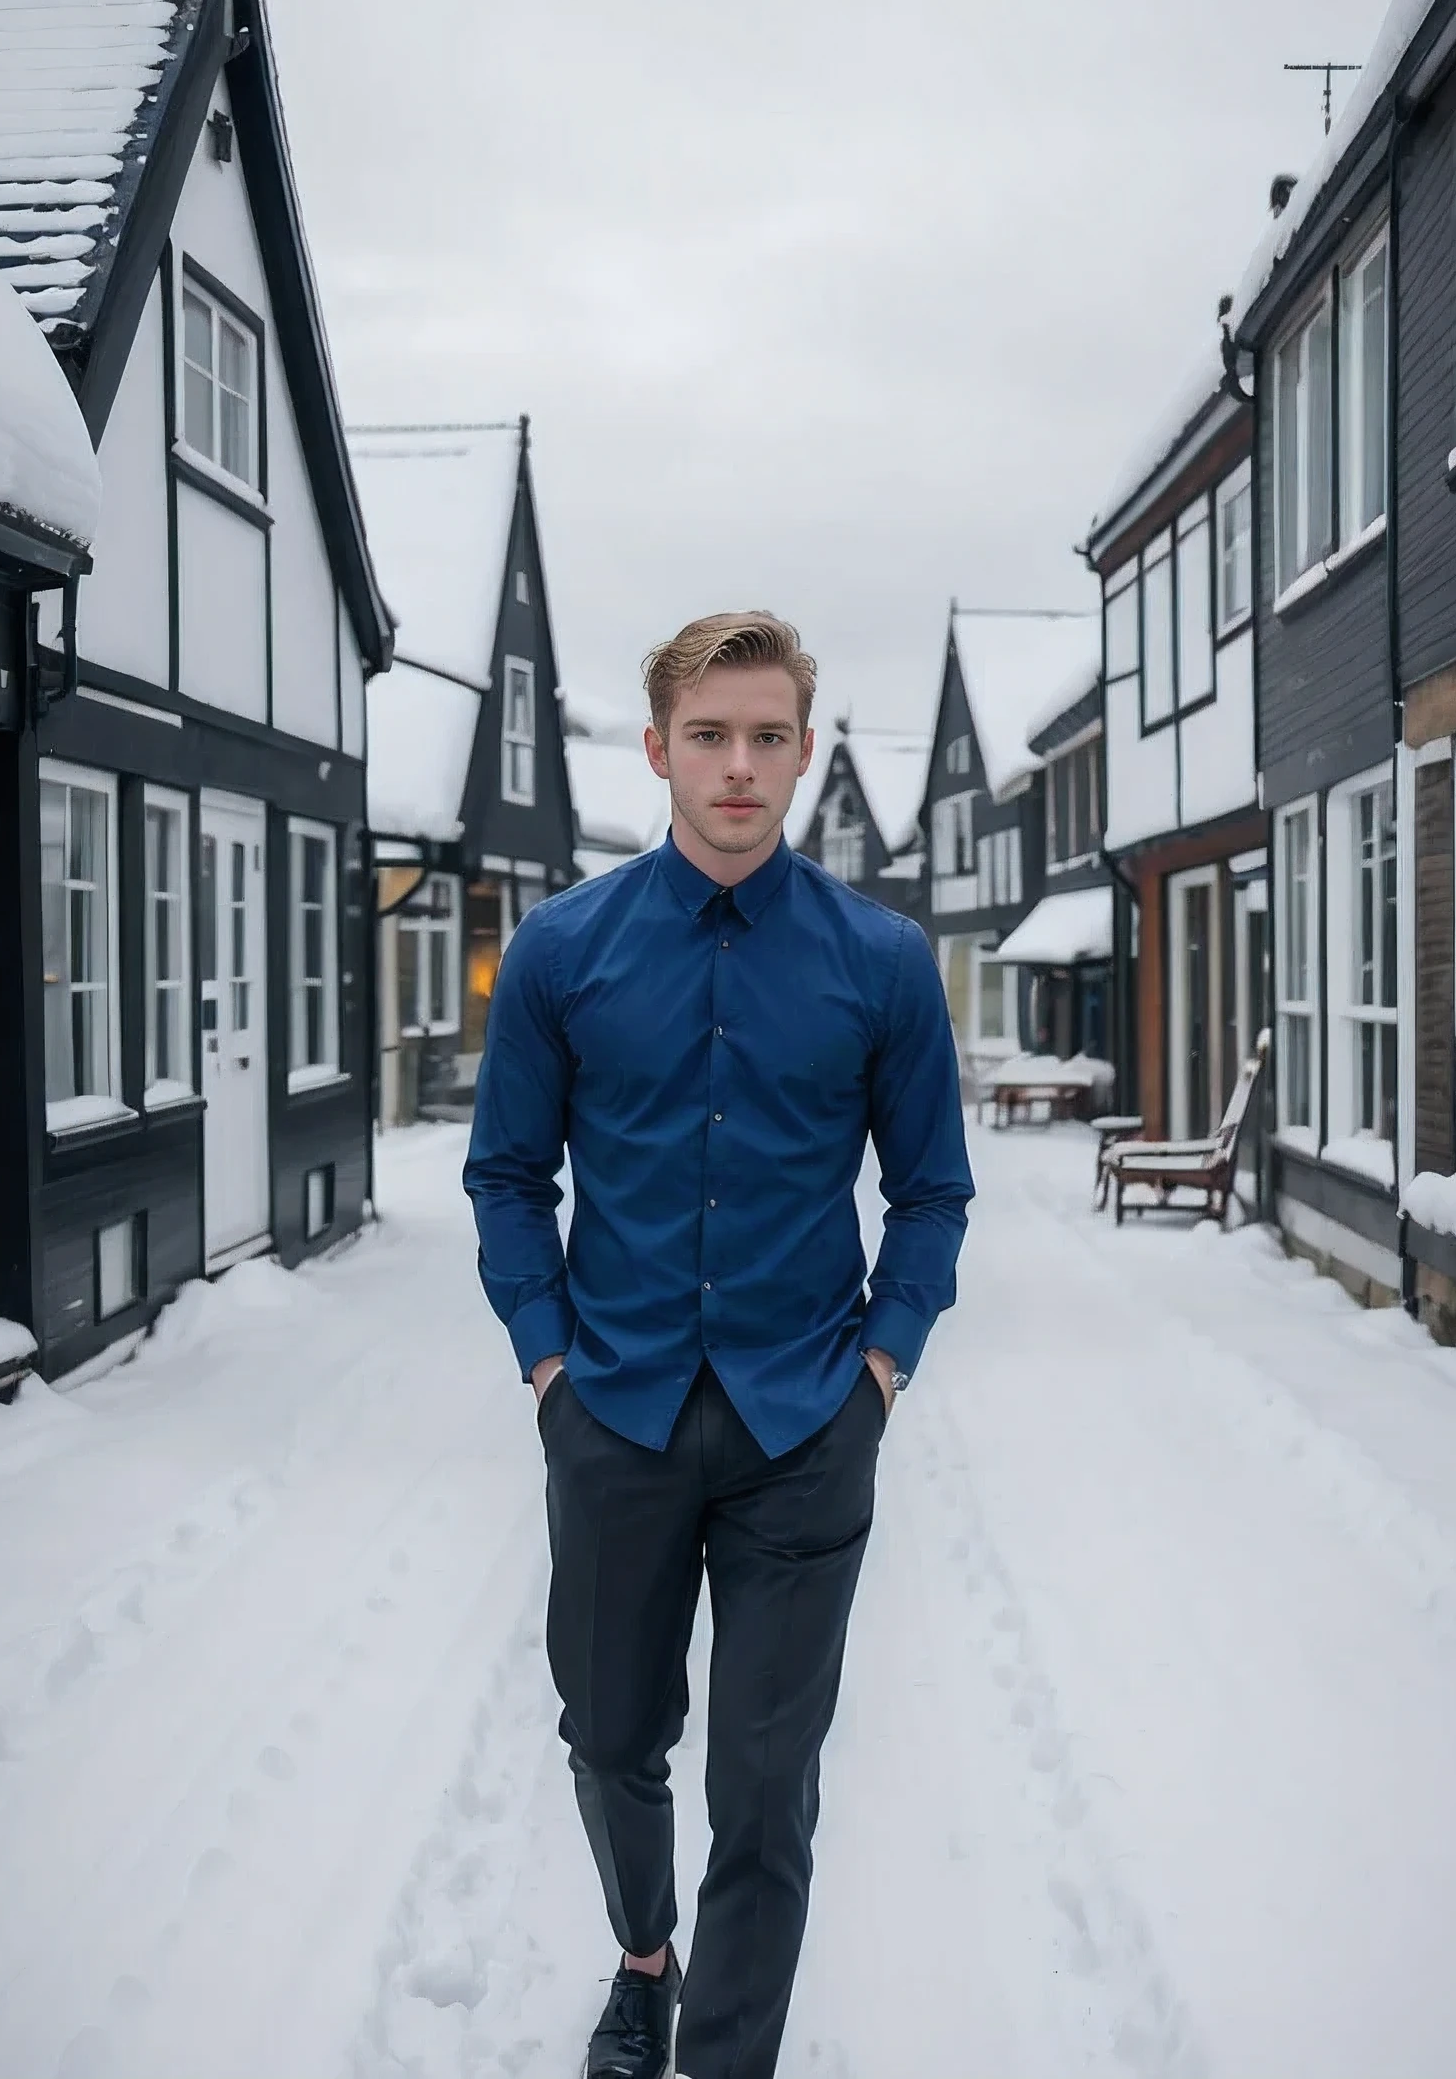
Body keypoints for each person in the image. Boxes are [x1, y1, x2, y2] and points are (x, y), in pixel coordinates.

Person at [464, 611, 972, 2078]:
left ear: (804, 754)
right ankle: (644, 1954)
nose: (739, 766)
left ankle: (722, 2059)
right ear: (658, 750)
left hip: (806, 1426)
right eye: (710, 735)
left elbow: (930, 1190)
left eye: (767, 737)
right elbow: (507, 1176)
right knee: (611, 1736)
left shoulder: (880, 965)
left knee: (767, 1784)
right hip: (612, 1413)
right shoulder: (565, 951)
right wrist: (548, 1363)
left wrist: (880, 1373)